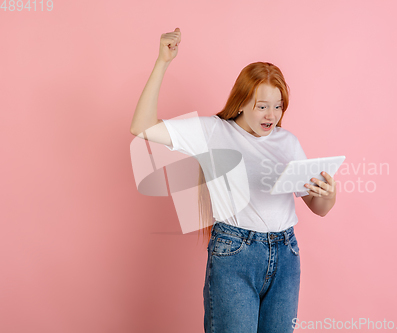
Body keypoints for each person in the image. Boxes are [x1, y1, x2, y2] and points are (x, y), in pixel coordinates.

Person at [130, 28, 338, 333]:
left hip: (286, 254)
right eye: (262, 105)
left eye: (278, 106)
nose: (272, 115)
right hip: (235, 253)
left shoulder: (287, 142)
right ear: (241, 102)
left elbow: (319, 208)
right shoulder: (214, 132)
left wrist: (328, 194)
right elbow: (142, 126)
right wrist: (163, 62)